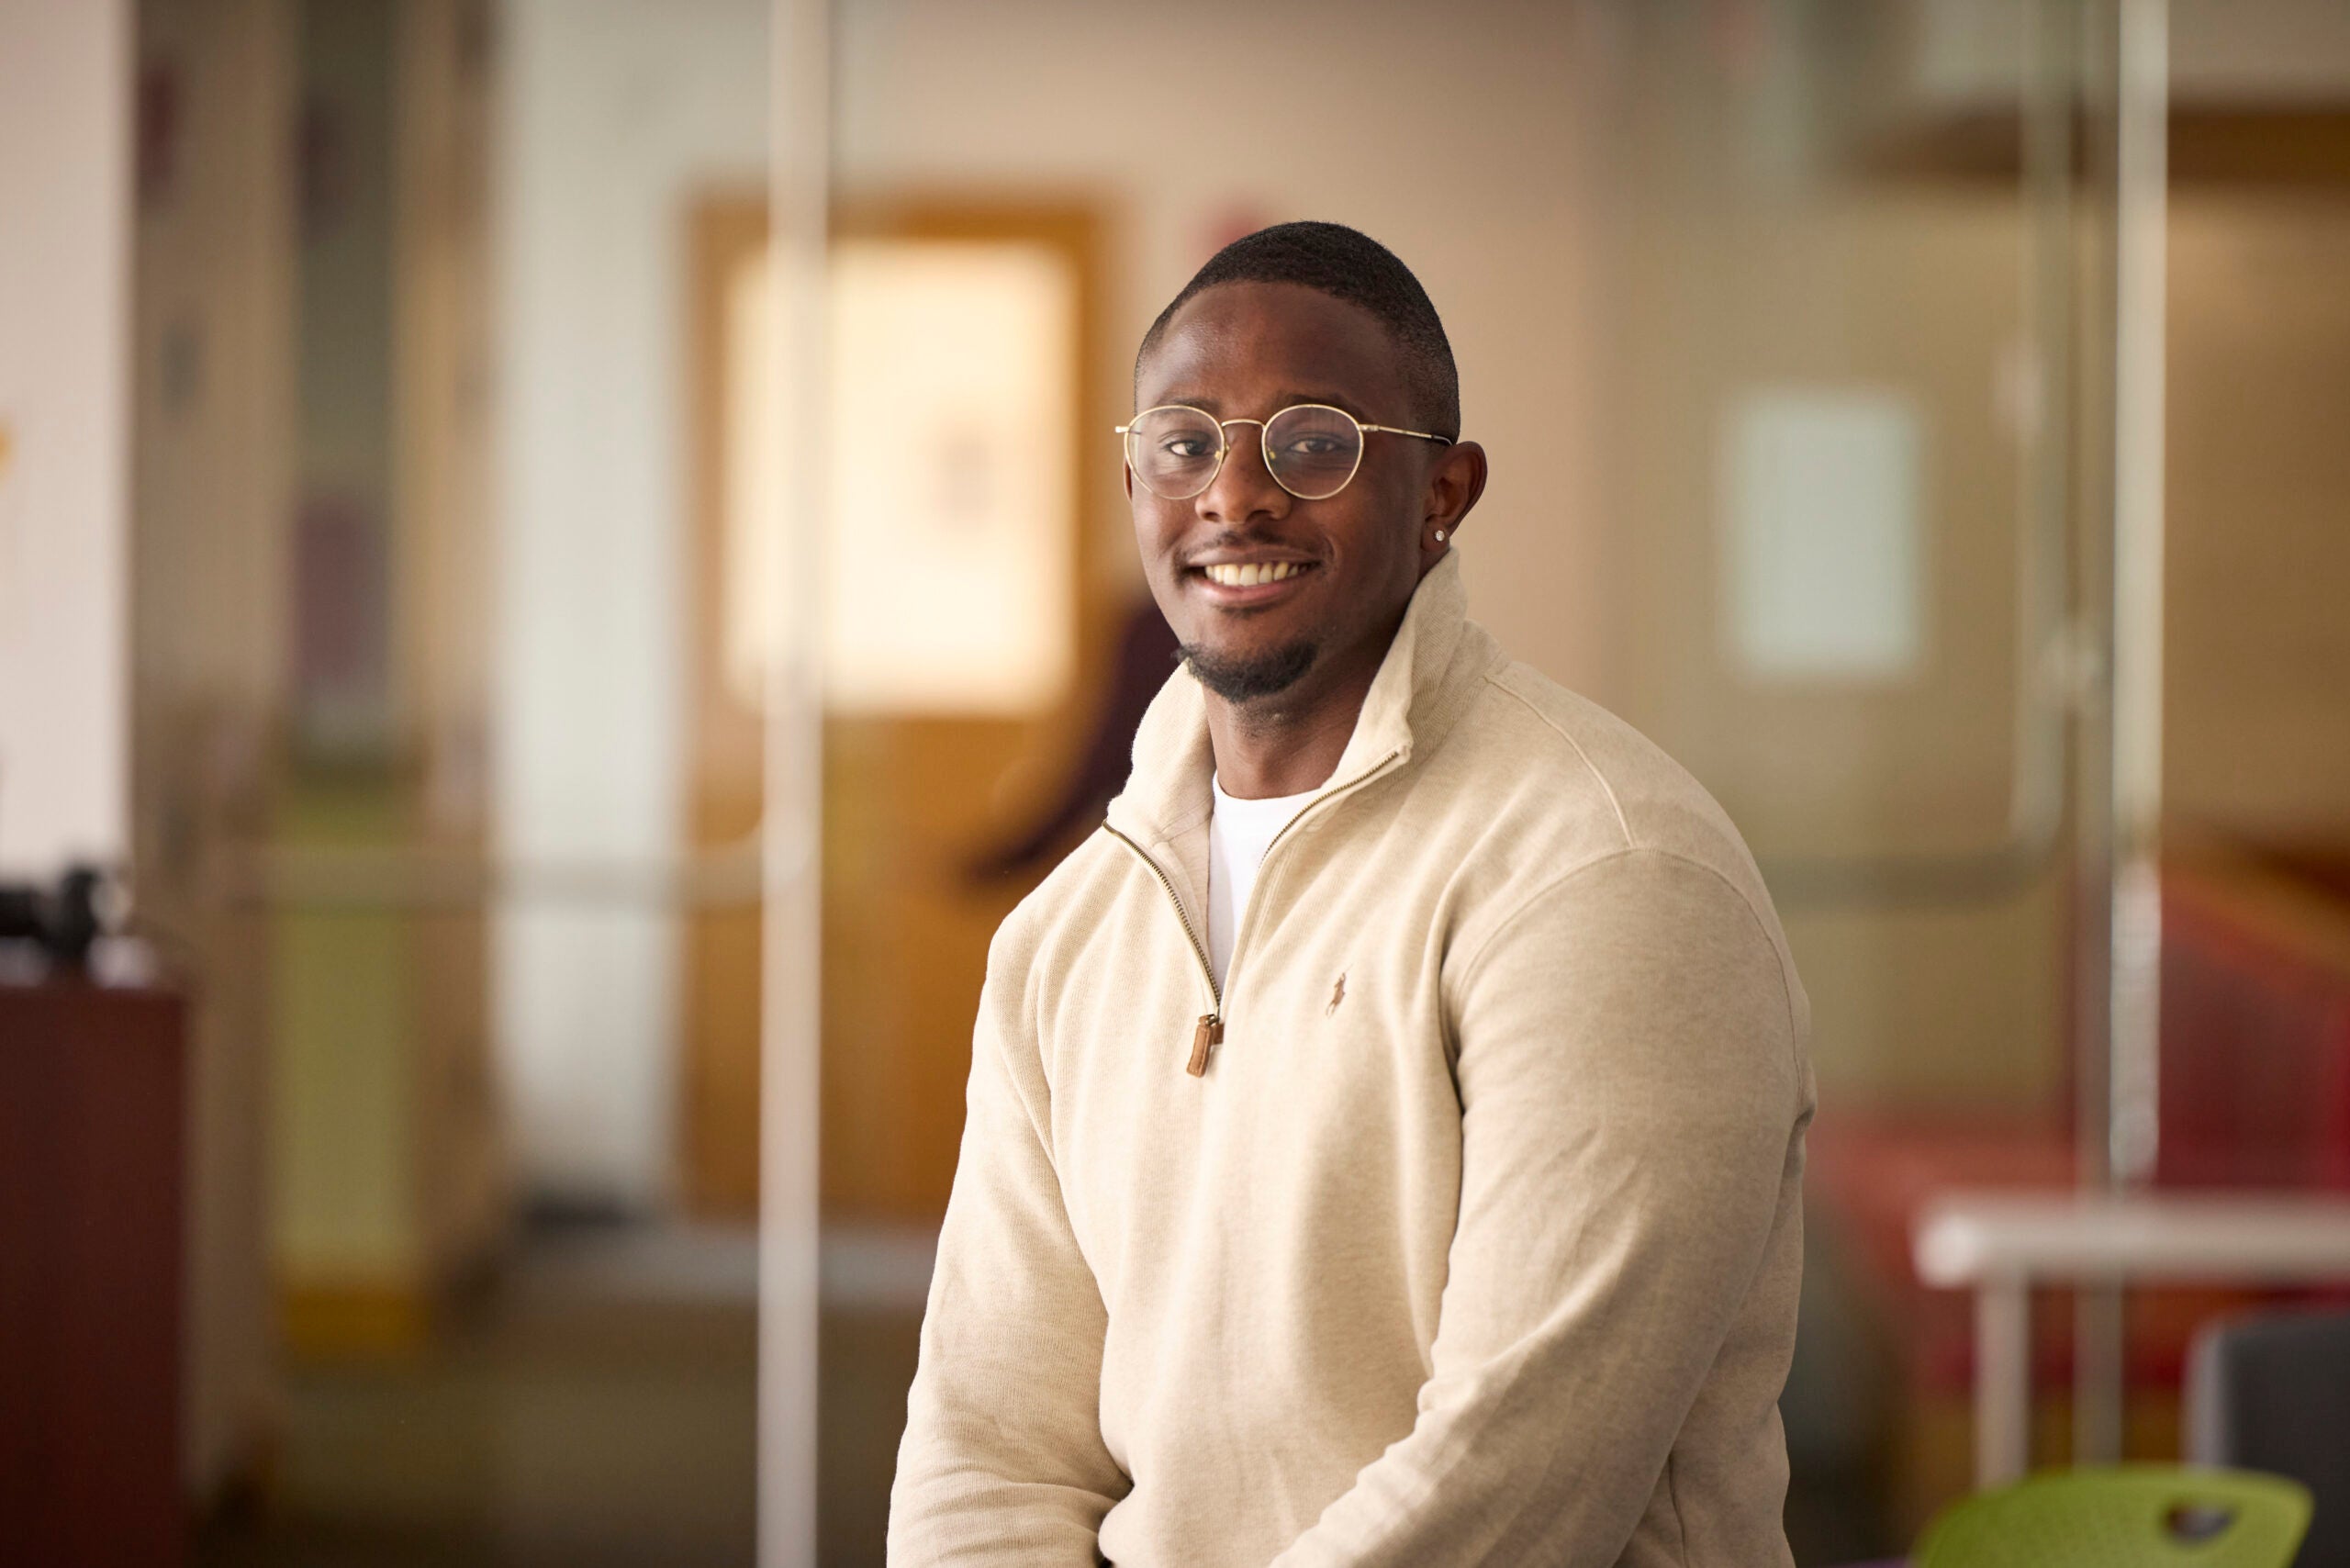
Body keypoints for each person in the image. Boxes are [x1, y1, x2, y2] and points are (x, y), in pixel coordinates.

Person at [889, 220, 1816, 1567]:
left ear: (1443, 494)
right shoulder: (1068, 935)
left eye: (1313, 441)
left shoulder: (1608, 873)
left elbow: (1513, 1482)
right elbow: (987, 1448)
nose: (1235, 495)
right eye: (1185, 442)